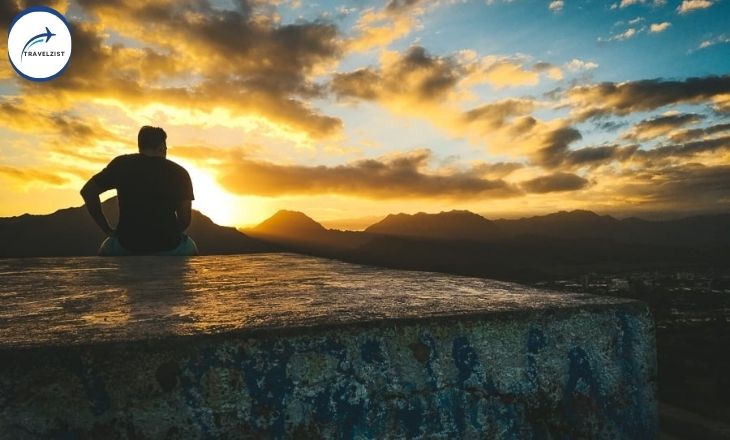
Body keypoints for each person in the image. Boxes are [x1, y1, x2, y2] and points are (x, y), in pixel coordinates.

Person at [80, 126, 198, 256]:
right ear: (162, 148)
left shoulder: (122, 164)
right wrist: (166, 233)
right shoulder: (180, 173)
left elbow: (88, 191)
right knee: (190, 247)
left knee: (106, 247)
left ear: (140, 146)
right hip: (170, 247)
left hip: (127, 246)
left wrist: (107, 229)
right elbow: (185, 220)